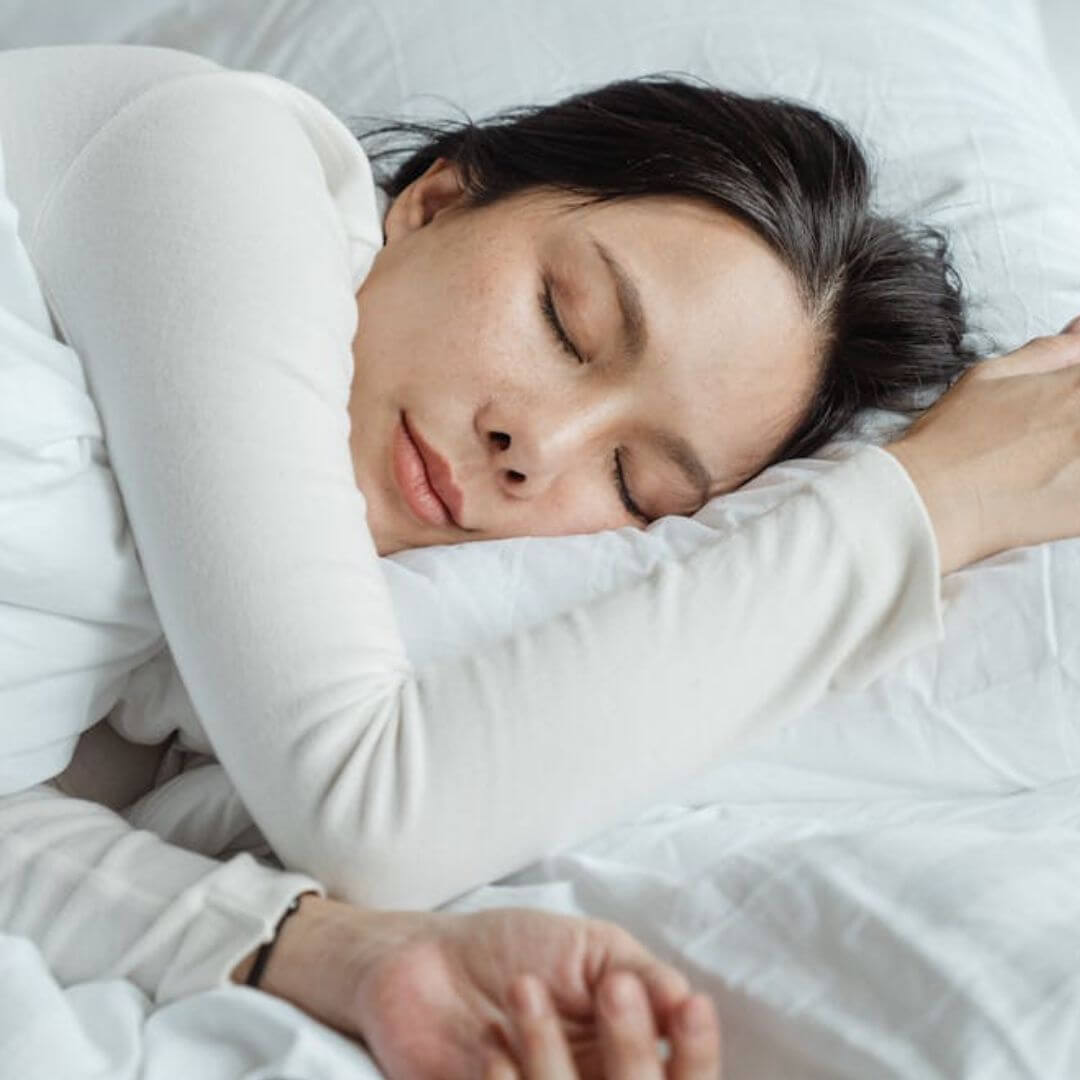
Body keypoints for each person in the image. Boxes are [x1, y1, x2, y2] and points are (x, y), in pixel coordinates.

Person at [1, 40, 1079, 1080]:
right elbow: (374, 810)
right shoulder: (215, 155)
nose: (539, 446)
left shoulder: (171, 654)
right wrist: (930, 503)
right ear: (436, 200)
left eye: (633, 487)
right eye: (566, 323)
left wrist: (342, 955)